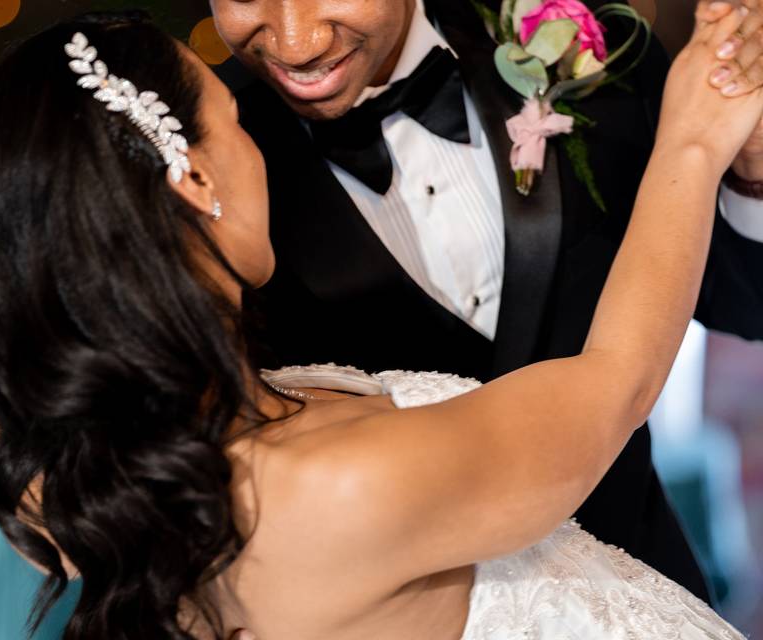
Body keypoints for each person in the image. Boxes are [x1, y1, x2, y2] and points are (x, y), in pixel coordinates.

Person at [0, 8, 762, 640]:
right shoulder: (328, 484)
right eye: (231, 118)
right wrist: (692, 142)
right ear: (191, 177)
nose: (293, 40)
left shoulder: (119, 475)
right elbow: (613, 384)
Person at [210, 0, 763, 605]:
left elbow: (742, 305)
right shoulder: (207, 151)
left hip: (640, 589)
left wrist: (750, 174)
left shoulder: (595, 50)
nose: (296, 43)